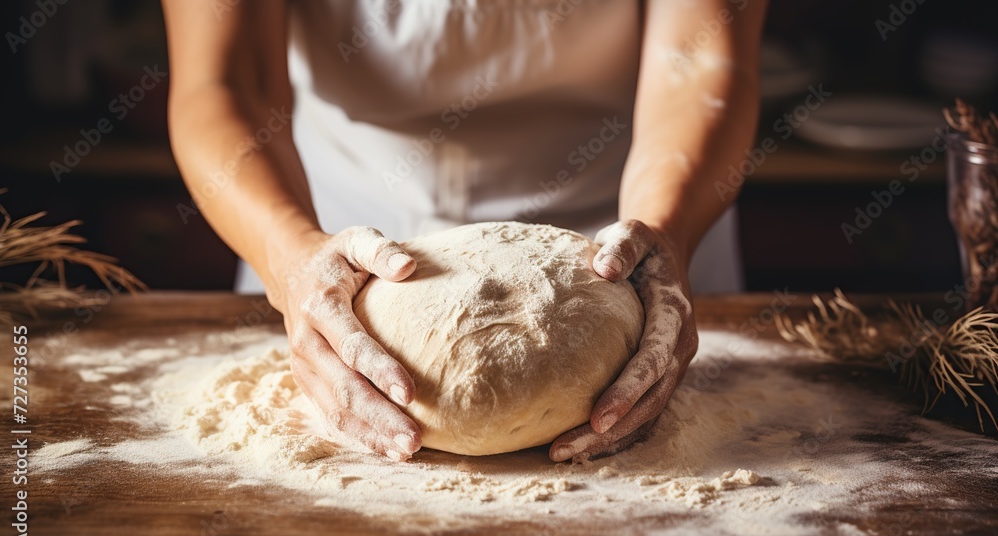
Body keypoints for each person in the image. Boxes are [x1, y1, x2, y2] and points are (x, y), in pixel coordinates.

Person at [161, 0, 768, 462]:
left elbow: (702, 57)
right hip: (343, 245)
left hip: (620, 241)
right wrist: (290, 252)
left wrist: (664, 229)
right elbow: (222, 83)